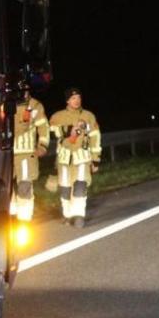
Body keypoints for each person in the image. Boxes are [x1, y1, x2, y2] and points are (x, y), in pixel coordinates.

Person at [49, 87, 102, 228]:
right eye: (73, 98)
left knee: (80, 185)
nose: (77, 100)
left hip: (82, 158)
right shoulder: (57, 116)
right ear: (67, 100)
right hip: (64, 158)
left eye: (78, 97)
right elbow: (54, 131)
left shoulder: (89, 116)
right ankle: (67, 214)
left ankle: (78, 215)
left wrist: (95, 158)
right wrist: (72, 129)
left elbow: (95, 137)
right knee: (65, 188)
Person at [8, 85, 49, 222]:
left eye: (24, 89)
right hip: (6, 154)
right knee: (6, 188)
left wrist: (42, 145)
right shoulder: (6, 103)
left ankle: (24, 219)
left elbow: (43, 126)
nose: (21, 92)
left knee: (24, 185)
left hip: (25, 154)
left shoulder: (34, 105)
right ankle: (10, 217)